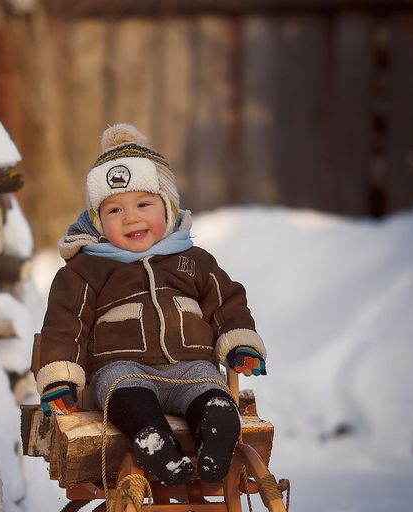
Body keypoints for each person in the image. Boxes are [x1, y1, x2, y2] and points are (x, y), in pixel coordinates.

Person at [36, 124, 266, 486]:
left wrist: (240, 343)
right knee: (126, 393)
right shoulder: (87, 269)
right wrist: (60, 378)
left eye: (144, 204)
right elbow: (66, 325)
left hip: (191, 368)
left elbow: (226, 304)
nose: (131, 217)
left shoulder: (194, 261)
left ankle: (216, 438)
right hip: (123, 369)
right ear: (97, 221)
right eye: (114, 210)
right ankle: (154, 443)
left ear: (168, 208)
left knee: (212, 392)